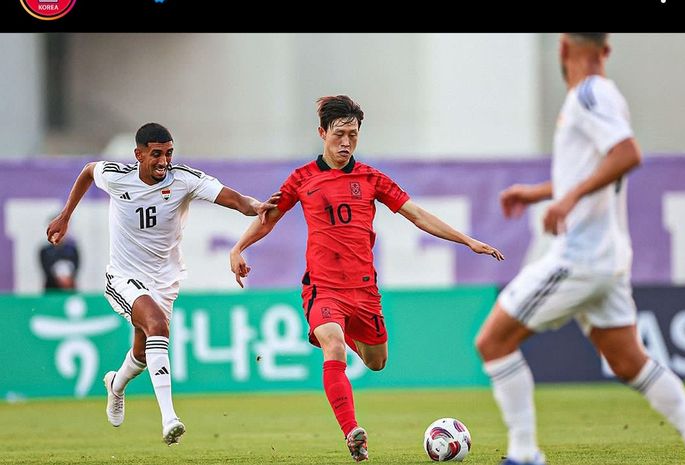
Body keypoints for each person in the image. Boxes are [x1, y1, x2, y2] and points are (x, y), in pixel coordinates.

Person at [229, 95, 505, 462]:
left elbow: (417, 215)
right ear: (322, 133)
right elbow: (269, 216)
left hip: (364, 291)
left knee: (376, 362)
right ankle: (352, 432)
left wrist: (467, 240)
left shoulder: (371, 178)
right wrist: (238, 249)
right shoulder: (301, 179)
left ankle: (338, 337)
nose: (346, 143)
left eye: (353, 135)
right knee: (334, 344)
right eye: (339, 134)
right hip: (323, 288)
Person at [475, 33, 685, 465]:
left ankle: (524, 454)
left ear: (562, 48)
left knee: (493, 341)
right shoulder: (605, 95)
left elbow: (626, 154)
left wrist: (567, 199)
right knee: (628, 361)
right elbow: (596, 167)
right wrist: (541, 192)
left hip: (580, 257)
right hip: (608, 259)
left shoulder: (589, 96)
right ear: (606, 49)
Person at [46, 123, 279, 446]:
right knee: (157, 326)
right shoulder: (116, 176)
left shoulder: (184, 180)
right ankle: (169, 418)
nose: (163, 161)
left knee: (142, 353)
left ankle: (116, 385)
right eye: (156, 154)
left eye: (168, 153)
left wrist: (255, 206)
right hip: (124, 277)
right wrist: (65, 215)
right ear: (138, 154)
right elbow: (88, 171)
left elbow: (235, 199)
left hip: (165, 280)